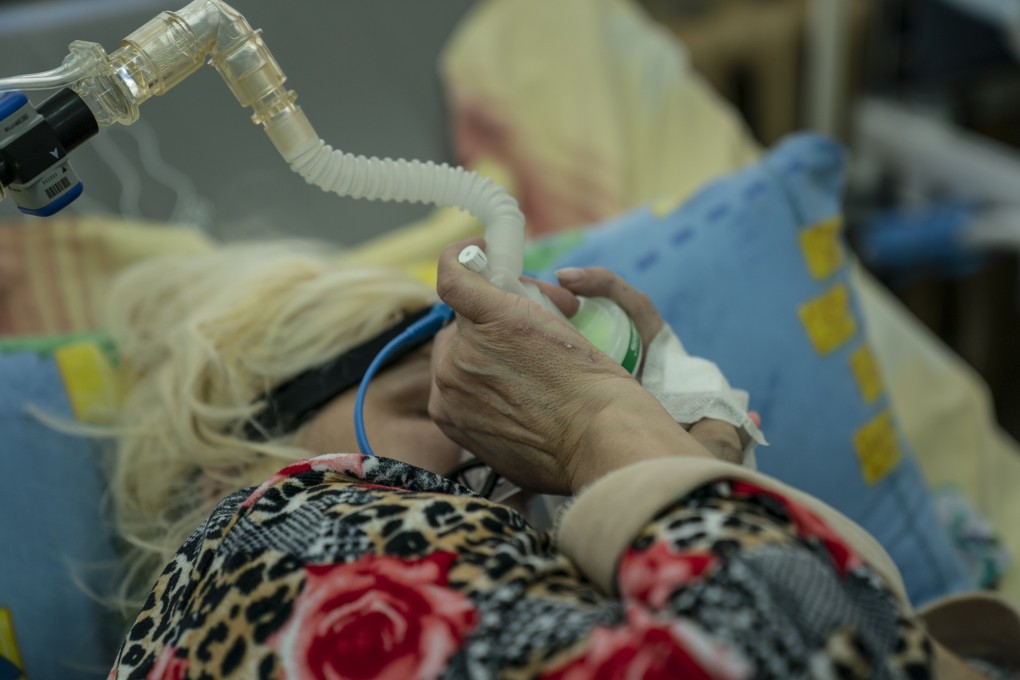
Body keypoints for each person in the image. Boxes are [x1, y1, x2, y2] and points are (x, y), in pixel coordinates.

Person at [105, 238, 1015, 679]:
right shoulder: (273, 532)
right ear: (229, 466)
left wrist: (687, 445)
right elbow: (809, 658)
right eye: (421, 373)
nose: (497, 419)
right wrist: (599, 432)